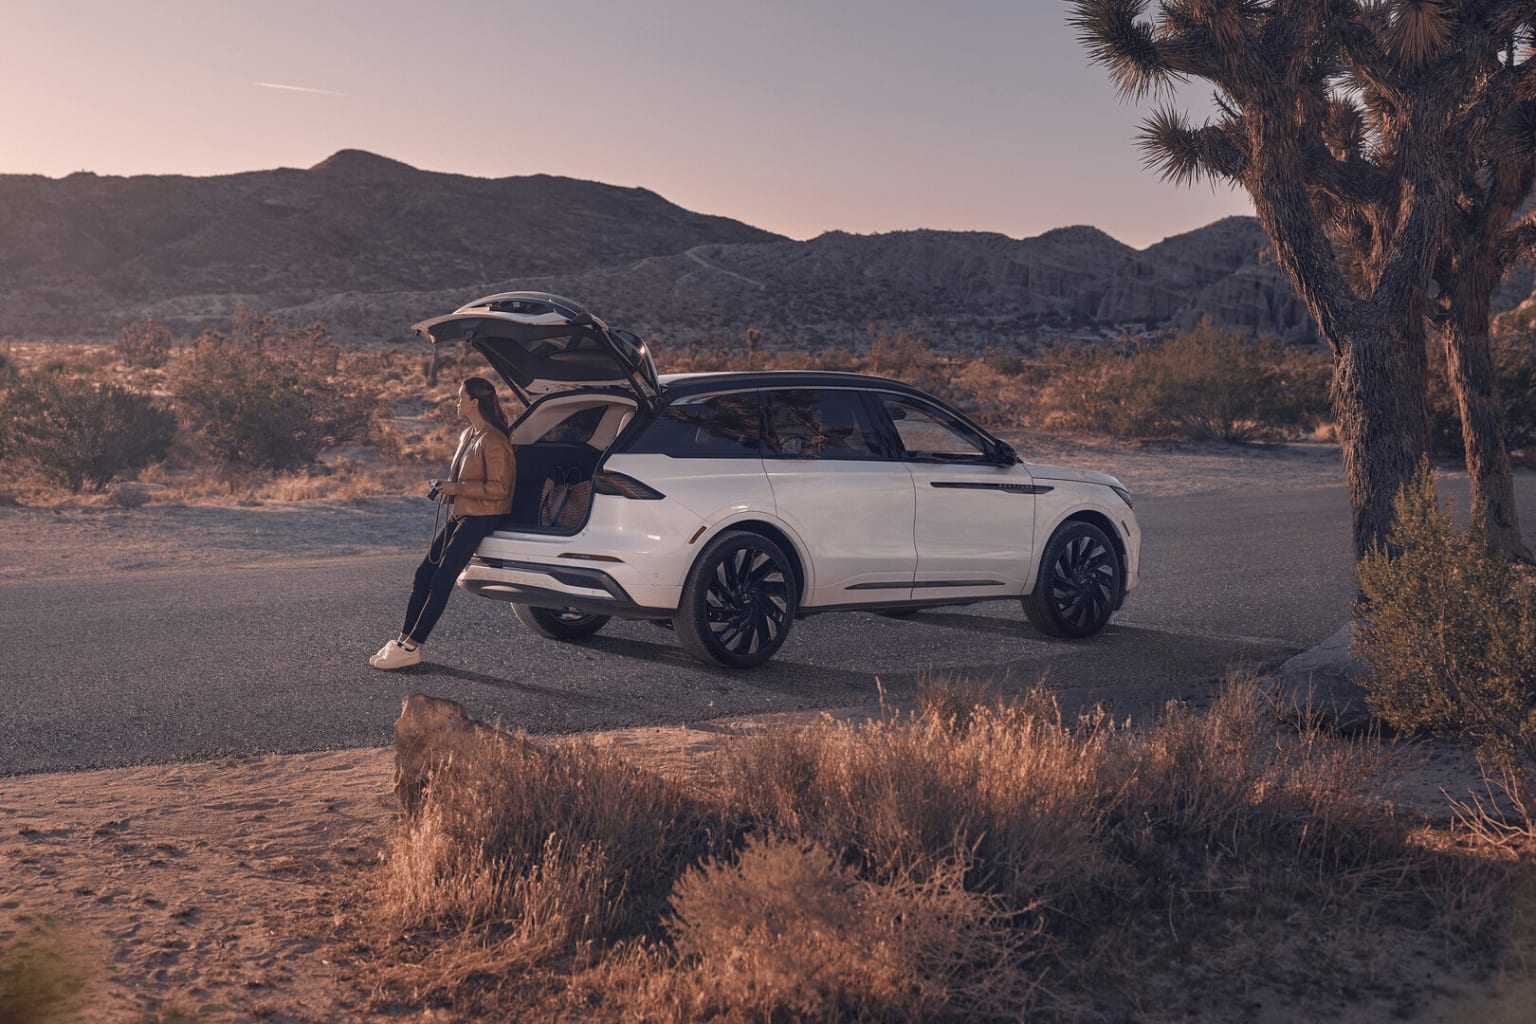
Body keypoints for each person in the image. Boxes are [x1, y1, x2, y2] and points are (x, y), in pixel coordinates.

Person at [370, 377, 517, 669]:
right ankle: (402, 640)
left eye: (460, 397)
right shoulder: (468, 435)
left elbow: (500, 489)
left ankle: (412, 647)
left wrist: (458, 488)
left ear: (475, 402)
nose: (456, 401)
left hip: (483, 516)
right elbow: (467, 479)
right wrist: (447, 487)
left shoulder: (494, 440)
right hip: (463, 512)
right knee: (423, 573)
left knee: (441, 579)